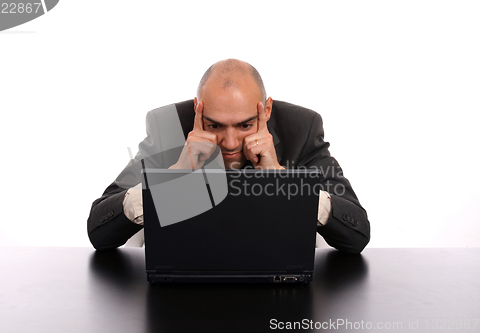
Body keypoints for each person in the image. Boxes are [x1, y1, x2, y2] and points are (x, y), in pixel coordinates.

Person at [87, 59, 370, 253]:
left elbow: (357, 234)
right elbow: (99, 230)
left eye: (245, 125)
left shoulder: (300, 128)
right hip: (182, 287)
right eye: (214, 125)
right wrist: (172, 177)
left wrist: (282, 181)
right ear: (197, 108)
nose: (231, 142)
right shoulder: (168, 126)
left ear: (266, 110)